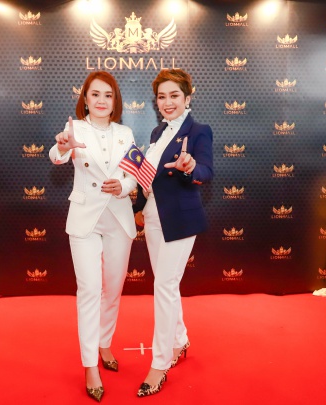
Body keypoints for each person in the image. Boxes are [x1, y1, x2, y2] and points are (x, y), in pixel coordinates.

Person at [49, 71, 137, 402]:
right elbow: (57, 155)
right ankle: (90, 365)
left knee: (112, 290)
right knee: (89, 291)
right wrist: (62, 147)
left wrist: (123, 186)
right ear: (85, 98)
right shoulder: (75, 129)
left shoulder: (125, 133)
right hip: (85, 219)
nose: (101, 100)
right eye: (95, 94)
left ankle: (104, 344)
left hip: (118, 218)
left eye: (108, 95)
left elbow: (134, 175)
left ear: (115, 101)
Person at [132, 69, 214, 397]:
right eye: (162, 97)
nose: (167, 102)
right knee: (168, 285)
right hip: (153, 217)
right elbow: (148, 176)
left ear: (187, 98)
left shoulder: (199, 131)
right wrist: (138, 206)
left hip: (180, 219)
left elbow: (206, 171)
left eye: (174, 96)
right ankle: (180, 341)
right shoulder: (157, 132)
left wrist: (190, 167)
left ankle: (160, 363)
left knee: (164, 286)